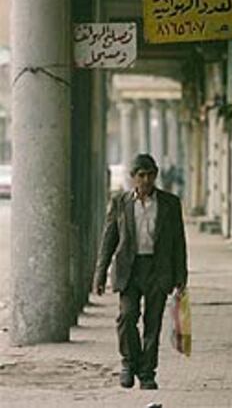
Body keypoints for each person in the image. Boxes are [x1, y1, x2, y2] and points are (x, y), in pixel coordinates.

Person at [94, 153, 188, 390]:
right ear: (133, 177)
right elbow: (109, 240)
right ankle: (128, 363)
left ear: (156, 175)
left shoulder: (170, 203)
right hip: (130, 269)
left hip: (158, 270)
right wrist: (100, 274)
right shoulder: (120, 203)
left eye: (150, 175)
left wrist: (181, 276)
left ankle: (147, 373)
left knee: (152, 323)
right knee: (127, 317)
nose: (146, 180)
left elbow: (179, 241)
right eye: (141, 175)